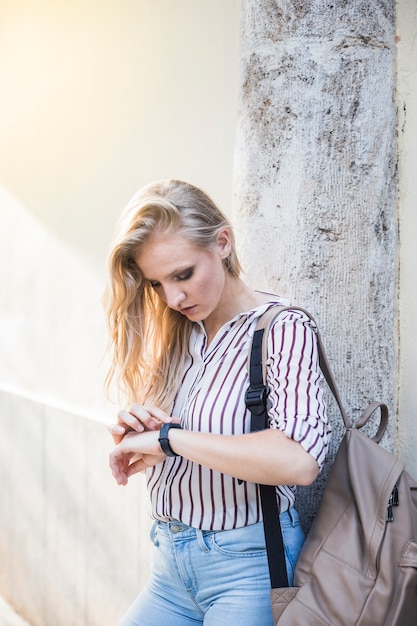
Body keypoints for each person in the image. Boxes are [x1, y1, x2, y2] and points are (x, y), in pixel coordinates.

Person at [104, 179, 330, 626]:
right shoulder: (179, 335)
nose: (173, 298)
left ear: (222, 243)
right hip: (170, 564)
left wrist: (171, 439)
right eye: (157, 283)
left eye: (183, 274)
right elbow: (182, 444)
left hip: (248, 569)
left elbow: (301, 460)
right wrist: (142, 438)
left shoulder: (281, 328)